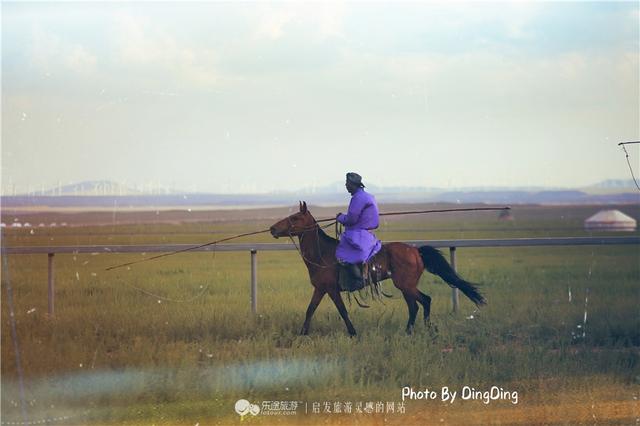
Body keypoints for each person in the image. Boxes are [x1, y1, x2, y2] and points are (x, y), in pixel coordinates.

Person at [336, 172, 382, 290]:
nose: (346, 186)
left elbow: (351, 219)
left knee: (342, 255)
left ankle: (357, 280)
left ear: (353, 184)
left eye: (347, 183)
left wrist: (340, 217)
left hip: (359, 235)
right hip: (367, 234)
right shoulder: (368, 196)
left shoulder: (358, 198)